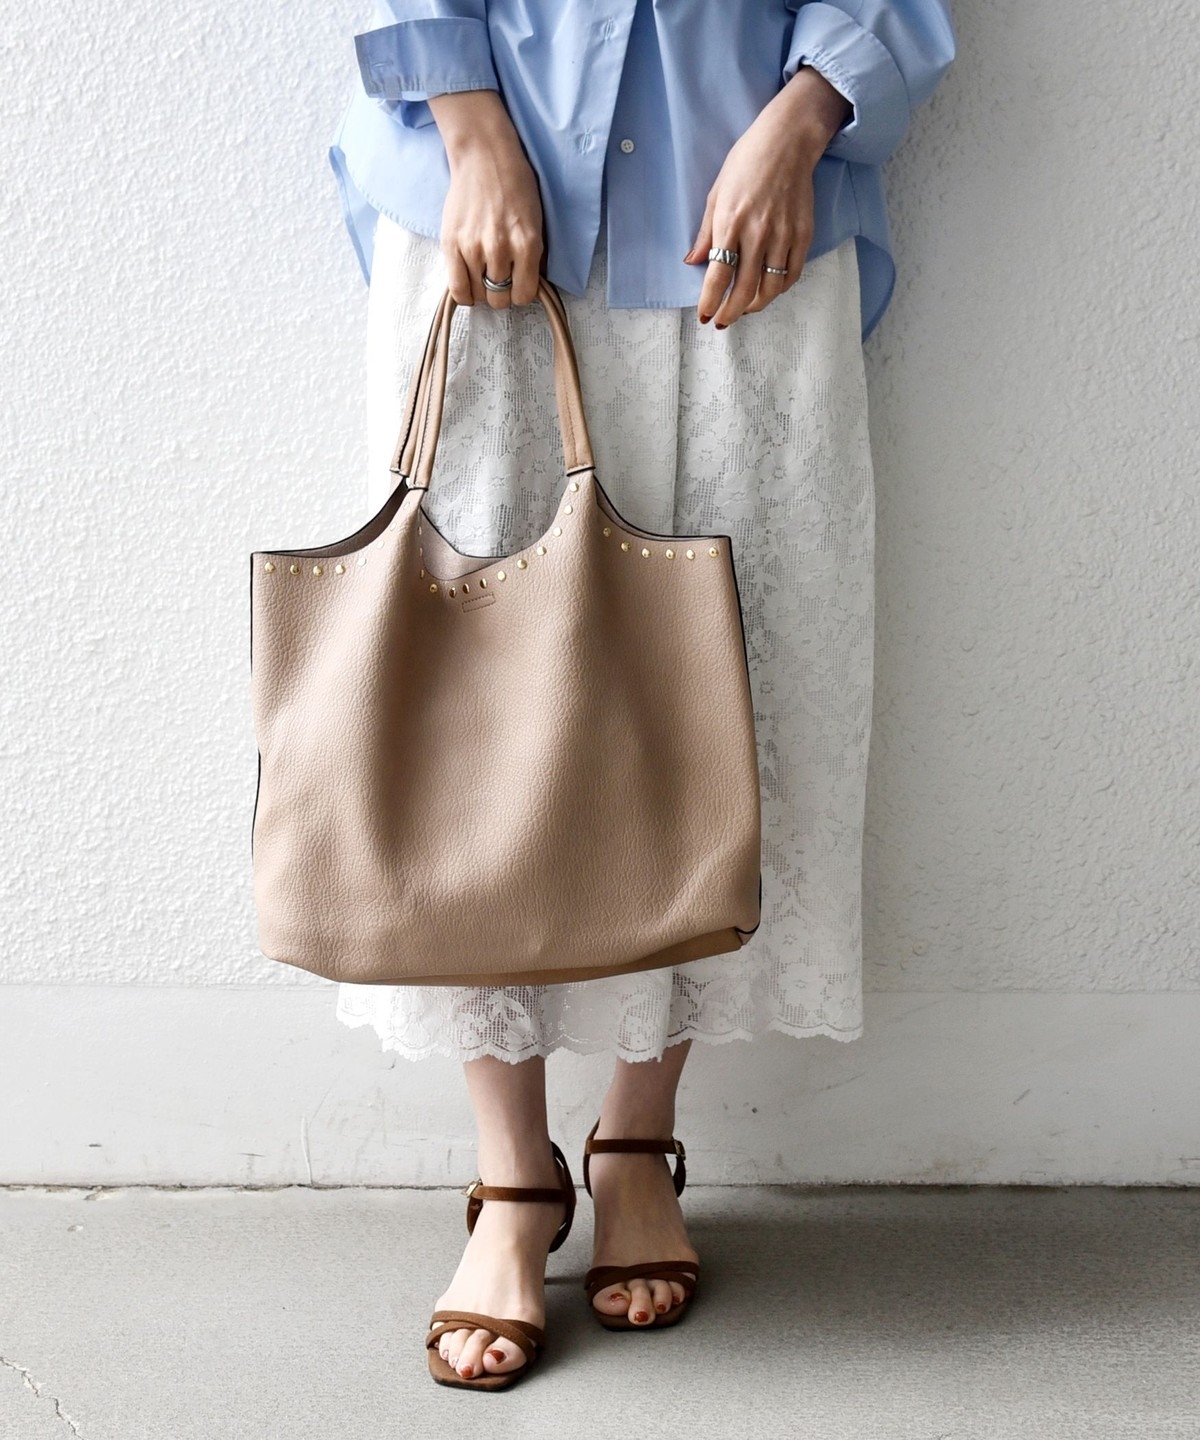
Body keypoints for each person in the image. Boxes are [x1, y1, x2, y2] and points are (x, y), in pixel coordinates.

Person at [328, 0, 955, 1390]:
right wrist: (467, 123)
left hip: (748, 208)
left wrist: (808, 114)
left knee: (713, 690)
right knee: (472, 711)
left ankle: (634, 1139)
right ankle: (511, 1177)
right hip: (489, 184)